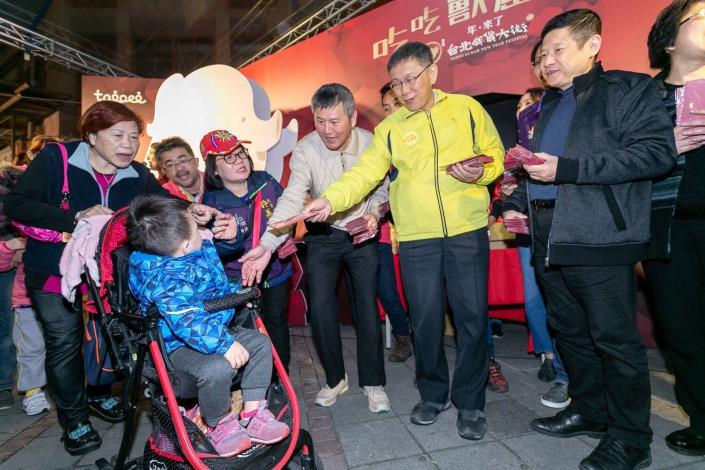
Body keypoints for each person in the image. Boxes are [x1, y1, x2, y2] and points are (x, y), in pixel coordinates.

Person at [301, 42, 505, 441]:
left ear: (432, 71)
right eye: (397, 85)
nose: (405, 90)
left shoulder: (466, 110)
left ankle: (471, 402)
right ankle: (432, 394)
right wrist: (330, 200)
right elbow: (364, 174)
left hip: (466, 231)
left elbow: (494, 156)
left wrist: (478, 174)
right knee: (425, 319)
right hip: (416, 237)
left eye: (411, 79)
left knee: (471, 318)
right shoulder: (391, 128)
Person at [502, 9, 676, 470]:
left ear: (593, 45)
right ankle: (590, 409)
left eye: (558, 50)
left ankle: (631, 438)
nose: (548, 61)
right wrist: (513, 200)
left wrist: (569, 170)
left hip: (599, 235)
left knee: (613, 340)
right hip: (547, 235)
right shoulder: (549, 105)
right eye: (542, 55)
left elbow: (657, 154)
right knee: (571, 333)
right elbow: (540, 169)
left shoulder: (627, 89)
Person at [4, 101, 168, 455]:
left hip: (108, 275)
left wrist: (196, 212)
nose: (128, 144)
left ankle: (96, 393)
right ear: (92, 136)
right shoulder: (56, 160)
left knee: (110, 336)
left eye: (134, 136)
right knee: (64, 342)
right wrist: (75, 217)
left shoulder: (137, 174)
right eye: (118, 135)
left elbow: (165, 204)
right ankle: (75, 419)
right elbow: (17, 205)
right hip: (53, 269)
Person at [239, 83, 390, 414]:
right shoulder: (307, 149)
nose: (327, 130)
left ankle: (373, 382)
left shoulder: (372, 144)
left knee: (365, 306)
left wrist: (376, 213)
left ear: (351, 116)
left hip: (361, 233)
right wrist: (267, 244)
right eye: (320, 121)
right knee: (320, 309)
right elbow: (293, 197)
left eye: (335, 121)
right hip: (323, 236)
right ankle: (335, 379)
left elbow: (382, 189)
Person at [127, 194, 290, 457]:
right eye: (196, 231)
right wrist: (224, 345)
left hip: (213, 329)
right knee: (217, 367)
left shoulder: (193, 253)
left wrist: (234, 296)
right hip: (178, 346)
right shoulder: (165, 280)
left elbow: (214, 287)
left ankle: (253, 412)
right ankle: (218, 423)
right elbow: (187, 322)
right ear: (182, 246)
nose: (202, 233)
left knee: (260, 343)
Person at [645, 0, 705, 457]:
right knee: (682, 329)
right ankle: (701, 418)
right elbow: (621, 163)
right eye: (700, 17)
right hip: (668, 228)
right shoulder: (642, 99)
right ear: (669, 39)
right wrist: (664, 147)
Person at [200, 129, 293, 371]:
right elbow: (211, 252)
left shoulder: (266, 182)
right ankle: (254, 382)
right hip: (237, 280)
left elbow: (288, 216)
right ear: (214, 170)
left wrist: (288, 235)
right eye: (228, 158)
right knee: (246, 329)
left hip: (276, 272)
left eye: (241, 153)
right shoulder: (211, 204)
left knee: (277, 321)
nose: (239, 160)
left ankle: (281, 376)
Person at [377, 83, 412, 363]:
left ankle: (406, 336)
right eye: (386, 108)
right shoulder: (380, 143)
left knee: (394, 292)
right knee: (380, 292)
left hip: (409, 229)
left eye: (394, 106)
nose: (390, 113)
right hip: (371, 230)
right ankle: (400, 336)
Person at [153, 136, 205, 203]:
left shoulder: (218, 182)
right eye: (170, 165)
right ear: (164, 171)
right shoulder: (162, 197)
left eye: (183, 160)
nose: (179, 168)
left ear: (196, 161)